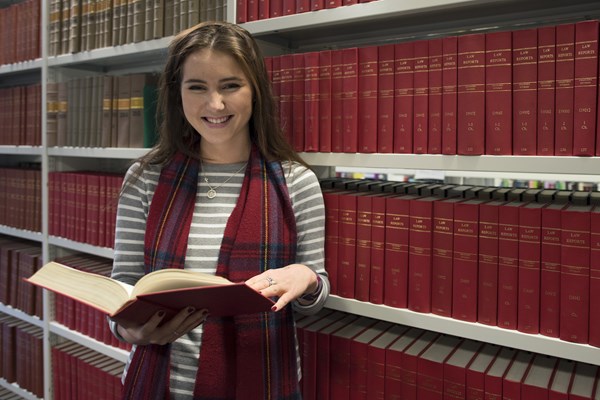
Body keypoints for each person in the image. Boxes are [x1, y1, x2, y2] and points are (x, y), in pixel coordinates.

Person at [109, 21, 329, 400]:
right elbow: (124, 286)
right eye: (197, 87)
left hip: (262, 384)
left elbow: (315, 295)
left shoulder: (297, 182)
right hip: (160, 385)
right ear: (177, 94)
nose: (215, 105)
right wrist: (131, 331)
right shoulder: (144, 179)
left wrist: (305, 277)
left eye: (231, 85)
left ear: (255, 90)